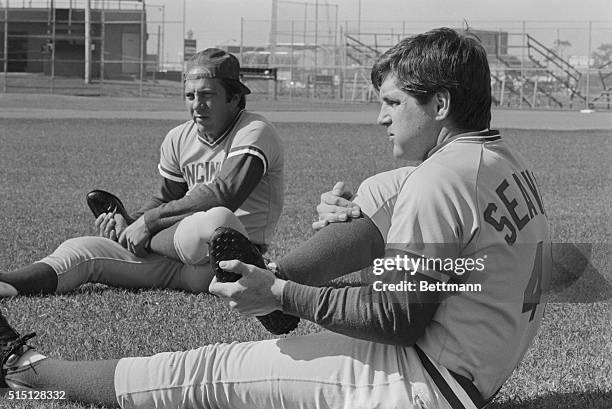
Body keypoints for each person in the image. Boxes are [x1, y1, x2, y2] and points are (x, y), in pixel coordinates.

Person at [0, 28, 552, 409]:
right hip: (468, 367)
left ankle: (28, 368)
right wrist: (364, 227)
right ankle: (268, 276)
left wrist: (284, 295)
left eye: (392, 102)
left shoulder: (437, 181)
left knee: (202, 373)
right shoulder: (500, 159)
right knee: (385, 189)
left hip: (421, 384)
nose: (381, 117)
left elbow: (396, 319)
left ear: (440, 105)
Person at [0, 48, 284, 297]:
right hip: (176, 266)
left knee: (216, 222)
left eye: (207, 95)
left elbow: (225, 195)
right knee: (85, 249)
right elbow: (166, 197)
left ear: (235, 98)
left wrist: (145, 226)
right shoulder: (178, 137)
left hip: (228, 265)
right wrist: (130, 223)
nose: (196, 104)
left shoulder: (254, 130)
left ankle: (145, 239)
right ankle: (10, 284)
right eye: (189, 95)